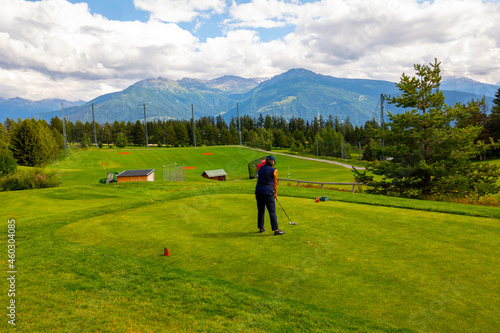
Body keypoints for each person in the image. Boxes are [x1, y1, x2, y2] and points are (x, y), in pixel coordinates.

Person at [255, 155, 285, 235]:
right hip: (268, 192)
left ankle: (261, 228)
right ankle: (276, 230)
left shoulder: (260, 168)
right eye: (274, 161)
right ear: (272, 161)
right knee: (272, 211)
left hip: (259, 191)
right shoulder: (274, 170)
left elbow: (258, 179)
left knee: (261, 210)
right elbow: (275, 184)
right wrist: (275, 193)